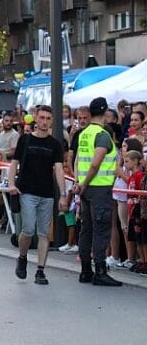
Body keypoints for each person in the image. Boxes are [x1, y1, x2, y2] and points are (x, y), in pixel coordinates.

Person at [7, 105, 65, 285]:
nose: (45, 122)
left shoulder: (55, 144)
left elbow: (59, 169)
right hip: (27, 191)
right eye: (42, 118)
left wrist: (63, 194)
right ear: (35, 118)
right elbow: (14, 163)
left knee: (44, 233)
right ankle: (22, 257)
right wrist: (11, 184)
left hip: (46, 193)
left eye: (48, 118)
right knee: (28, 229)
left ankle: (40, 270)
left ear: (52, 121)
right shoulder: (25, 140)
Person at [73, 97, 122, 286]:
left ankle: (86, 270)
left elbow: (78, 161)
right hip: (99, 187)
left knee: (87, 228)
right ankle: (100, 271)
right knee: (101, 229)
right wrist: (84, 184)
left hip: (86, 188)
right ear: (105, 113)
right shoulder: (102, 135)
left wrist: (79, 183)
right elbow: (95, 164)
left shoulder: (84, 134)